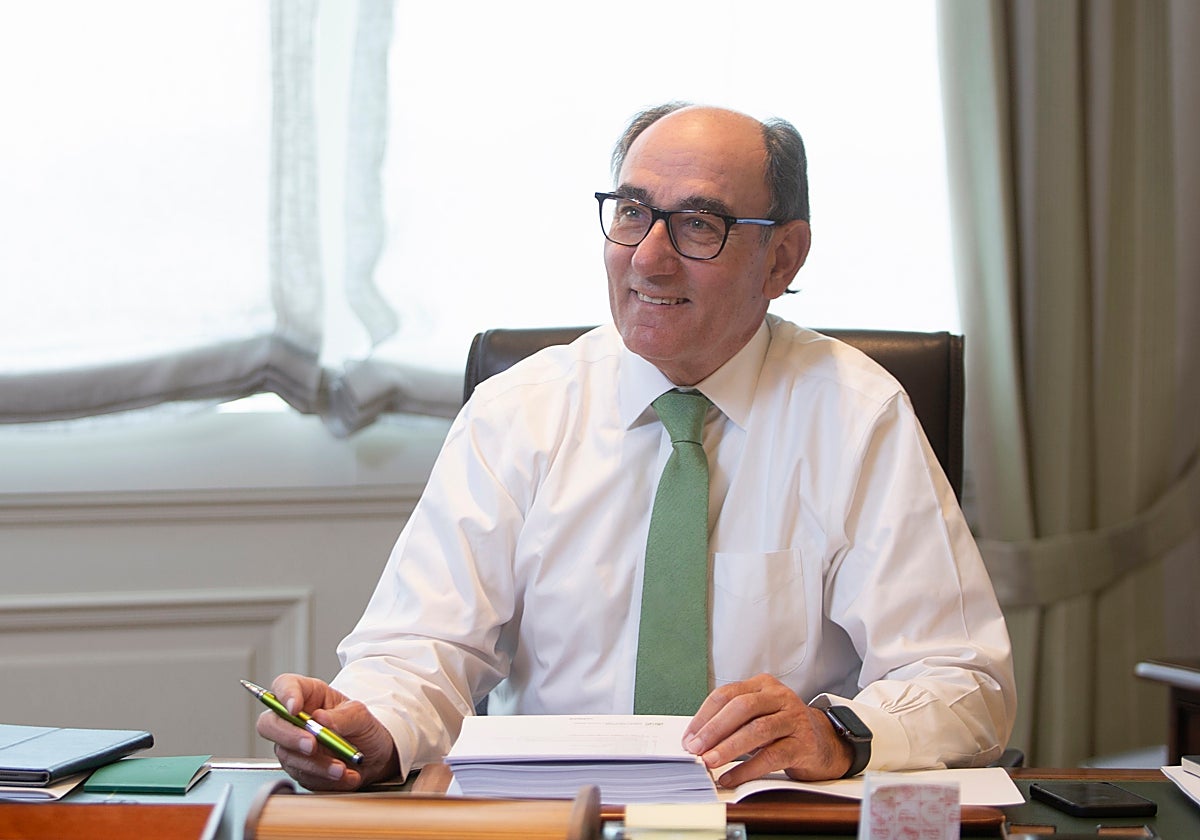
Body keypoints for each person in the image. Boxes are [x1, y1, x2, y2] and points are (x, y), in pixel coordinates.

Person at [257, 102, 1016, 792]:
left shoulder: (858, 415)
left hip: (766, 819)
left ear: (782, 259)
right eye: (631, 212)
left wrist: (838, 733)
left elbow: (963, 680)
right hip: (555, 817)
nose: (648, 258)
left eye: (698, 224)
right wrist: (374, 729)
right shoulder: (518, 412)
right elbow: (422, 643)